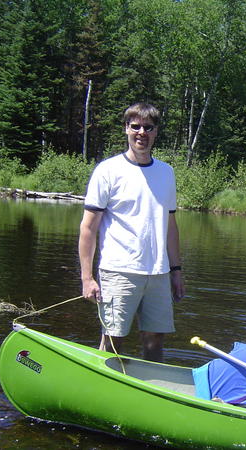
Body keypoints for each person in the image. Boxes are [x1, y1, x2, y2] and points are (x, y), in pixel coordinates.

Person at [78, 102, 184, 362]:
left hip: (158, 273)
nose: (141, 133)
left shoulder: (166, 172)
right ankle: (104, 390)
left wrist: (176, 271)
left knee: (156, 339)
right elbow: (88, 227)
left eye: (148, 127)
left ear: (156, 131)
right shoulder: (108, 170)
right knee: (113, 339)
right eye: (135, 126)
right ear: (126, 129)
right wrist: (87, 277)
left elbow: (170, 226)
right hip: (119, 270)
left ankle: (151, 391)